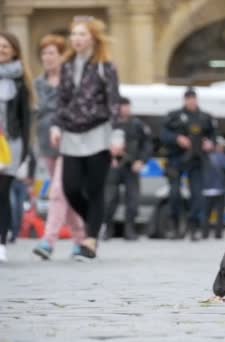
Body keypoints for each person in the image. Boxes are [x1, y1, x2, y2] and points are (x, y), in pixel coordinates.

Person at [50, 16, 120, 259]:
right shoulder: (67, 65)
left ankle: (90, 239)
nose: (76, 39)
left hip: (98, 133)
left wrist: (117, 135)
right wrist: (56, 126)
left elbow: (114, 103)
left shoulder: (105, 66)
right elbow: (61, 100)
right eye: (74, 34)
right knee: (70, 188)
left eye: (82, 34)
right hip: (71, 133)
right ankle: (94, 222)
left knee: (95, 188)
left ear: (92, 38)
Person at [32, 34, 86, 260]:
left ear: (61, 56)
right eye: (44, 53)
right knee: (67, 194)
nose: (47, 57)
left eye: (51, 52)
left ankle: (48, 241)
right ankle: (80, 240)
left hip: (69, 142)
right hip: (46, 144)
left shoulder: (71, 81)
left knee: (56, 191)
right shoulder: (37, 83)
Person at [160, 88, 216, 238]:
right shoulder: (174, 116)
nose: (191, 101)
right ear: (184, 100)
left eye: (193, 98)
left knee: (197, 196)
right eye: (188, 98)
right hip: (176, 159)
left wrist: (210, 143)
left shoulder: (205, 117)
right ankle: (176, 227)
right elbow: (163, 134)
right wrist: (177, 138)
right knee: (174, 194)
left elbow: (214, 136)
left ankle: (192, 227)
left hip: (196, 160)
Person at [0, 31, 32, 263]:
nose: (1, 50)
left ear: (14, 51)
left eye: (6, 47)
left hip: (10, 143)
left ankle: (1, 242)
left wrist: (25, 154)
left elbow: (25, 120)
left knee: (2, 193)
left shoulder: (21, 81)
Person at [103, 96, 152, 240]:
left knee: (133, 200)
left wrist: (141, 161)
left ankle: (129, 229)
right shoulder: (110, 124)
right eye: (122, 106)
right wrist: (108, 157)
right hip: (113, 166)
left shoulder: (137, 125)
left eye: (127, 106)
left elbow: (147, 145)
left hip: (132, 166)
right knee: (109, 199)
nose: (125, 109)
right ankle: (108, 229)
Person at [199, 136, 225, 240]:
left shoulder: (206, 157)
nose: (224, 148)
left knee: (206, 213)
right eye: (223, 146)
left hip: (207, 189)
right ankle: (218, 234)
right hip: (220, 189)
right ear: (218, 147)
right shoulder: (224, 158)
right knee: (220, 213)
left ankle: (205, 233)